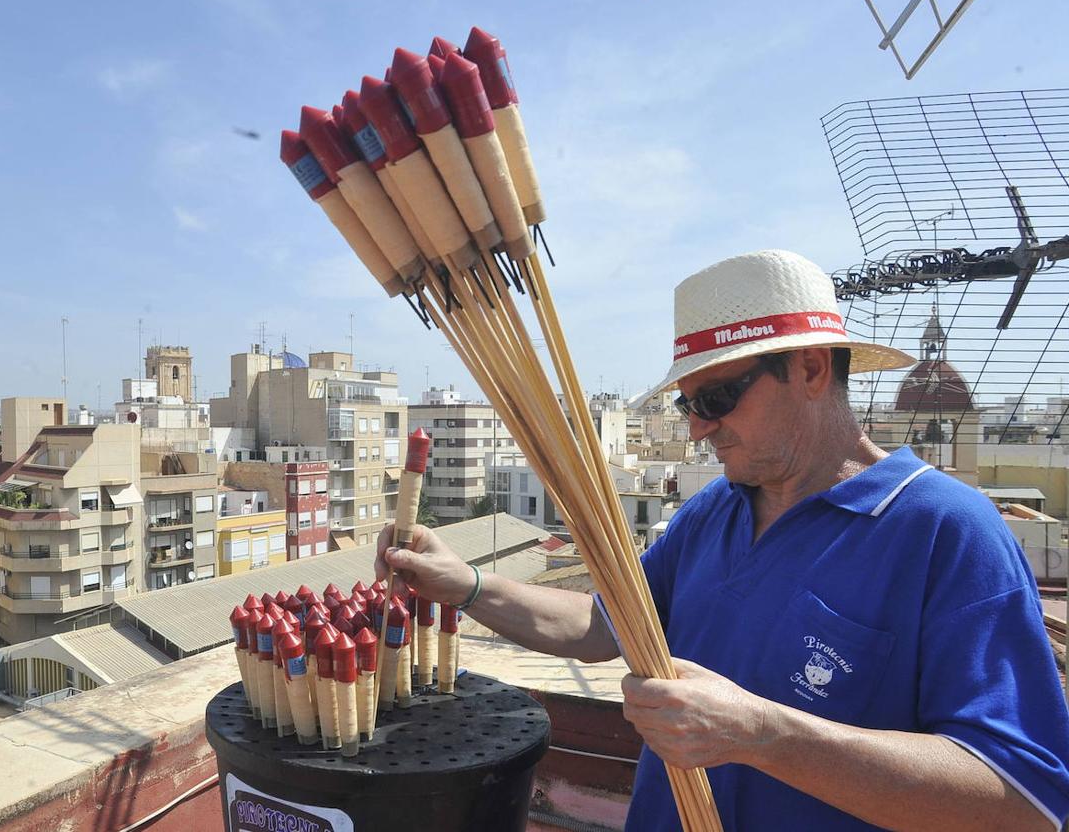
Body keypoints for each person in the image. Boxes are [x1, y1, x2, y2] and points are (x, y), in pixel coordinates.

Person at [376, 250, 1069, 830]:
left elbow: (1024, 801)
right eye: (688, 404)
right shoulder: (717, 512)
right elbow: (604, 623)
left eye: (716, 399)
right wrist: (464, 585)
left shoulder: (948, 535)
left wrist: (763, 734)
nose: (699, 428)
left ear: (810, 369)